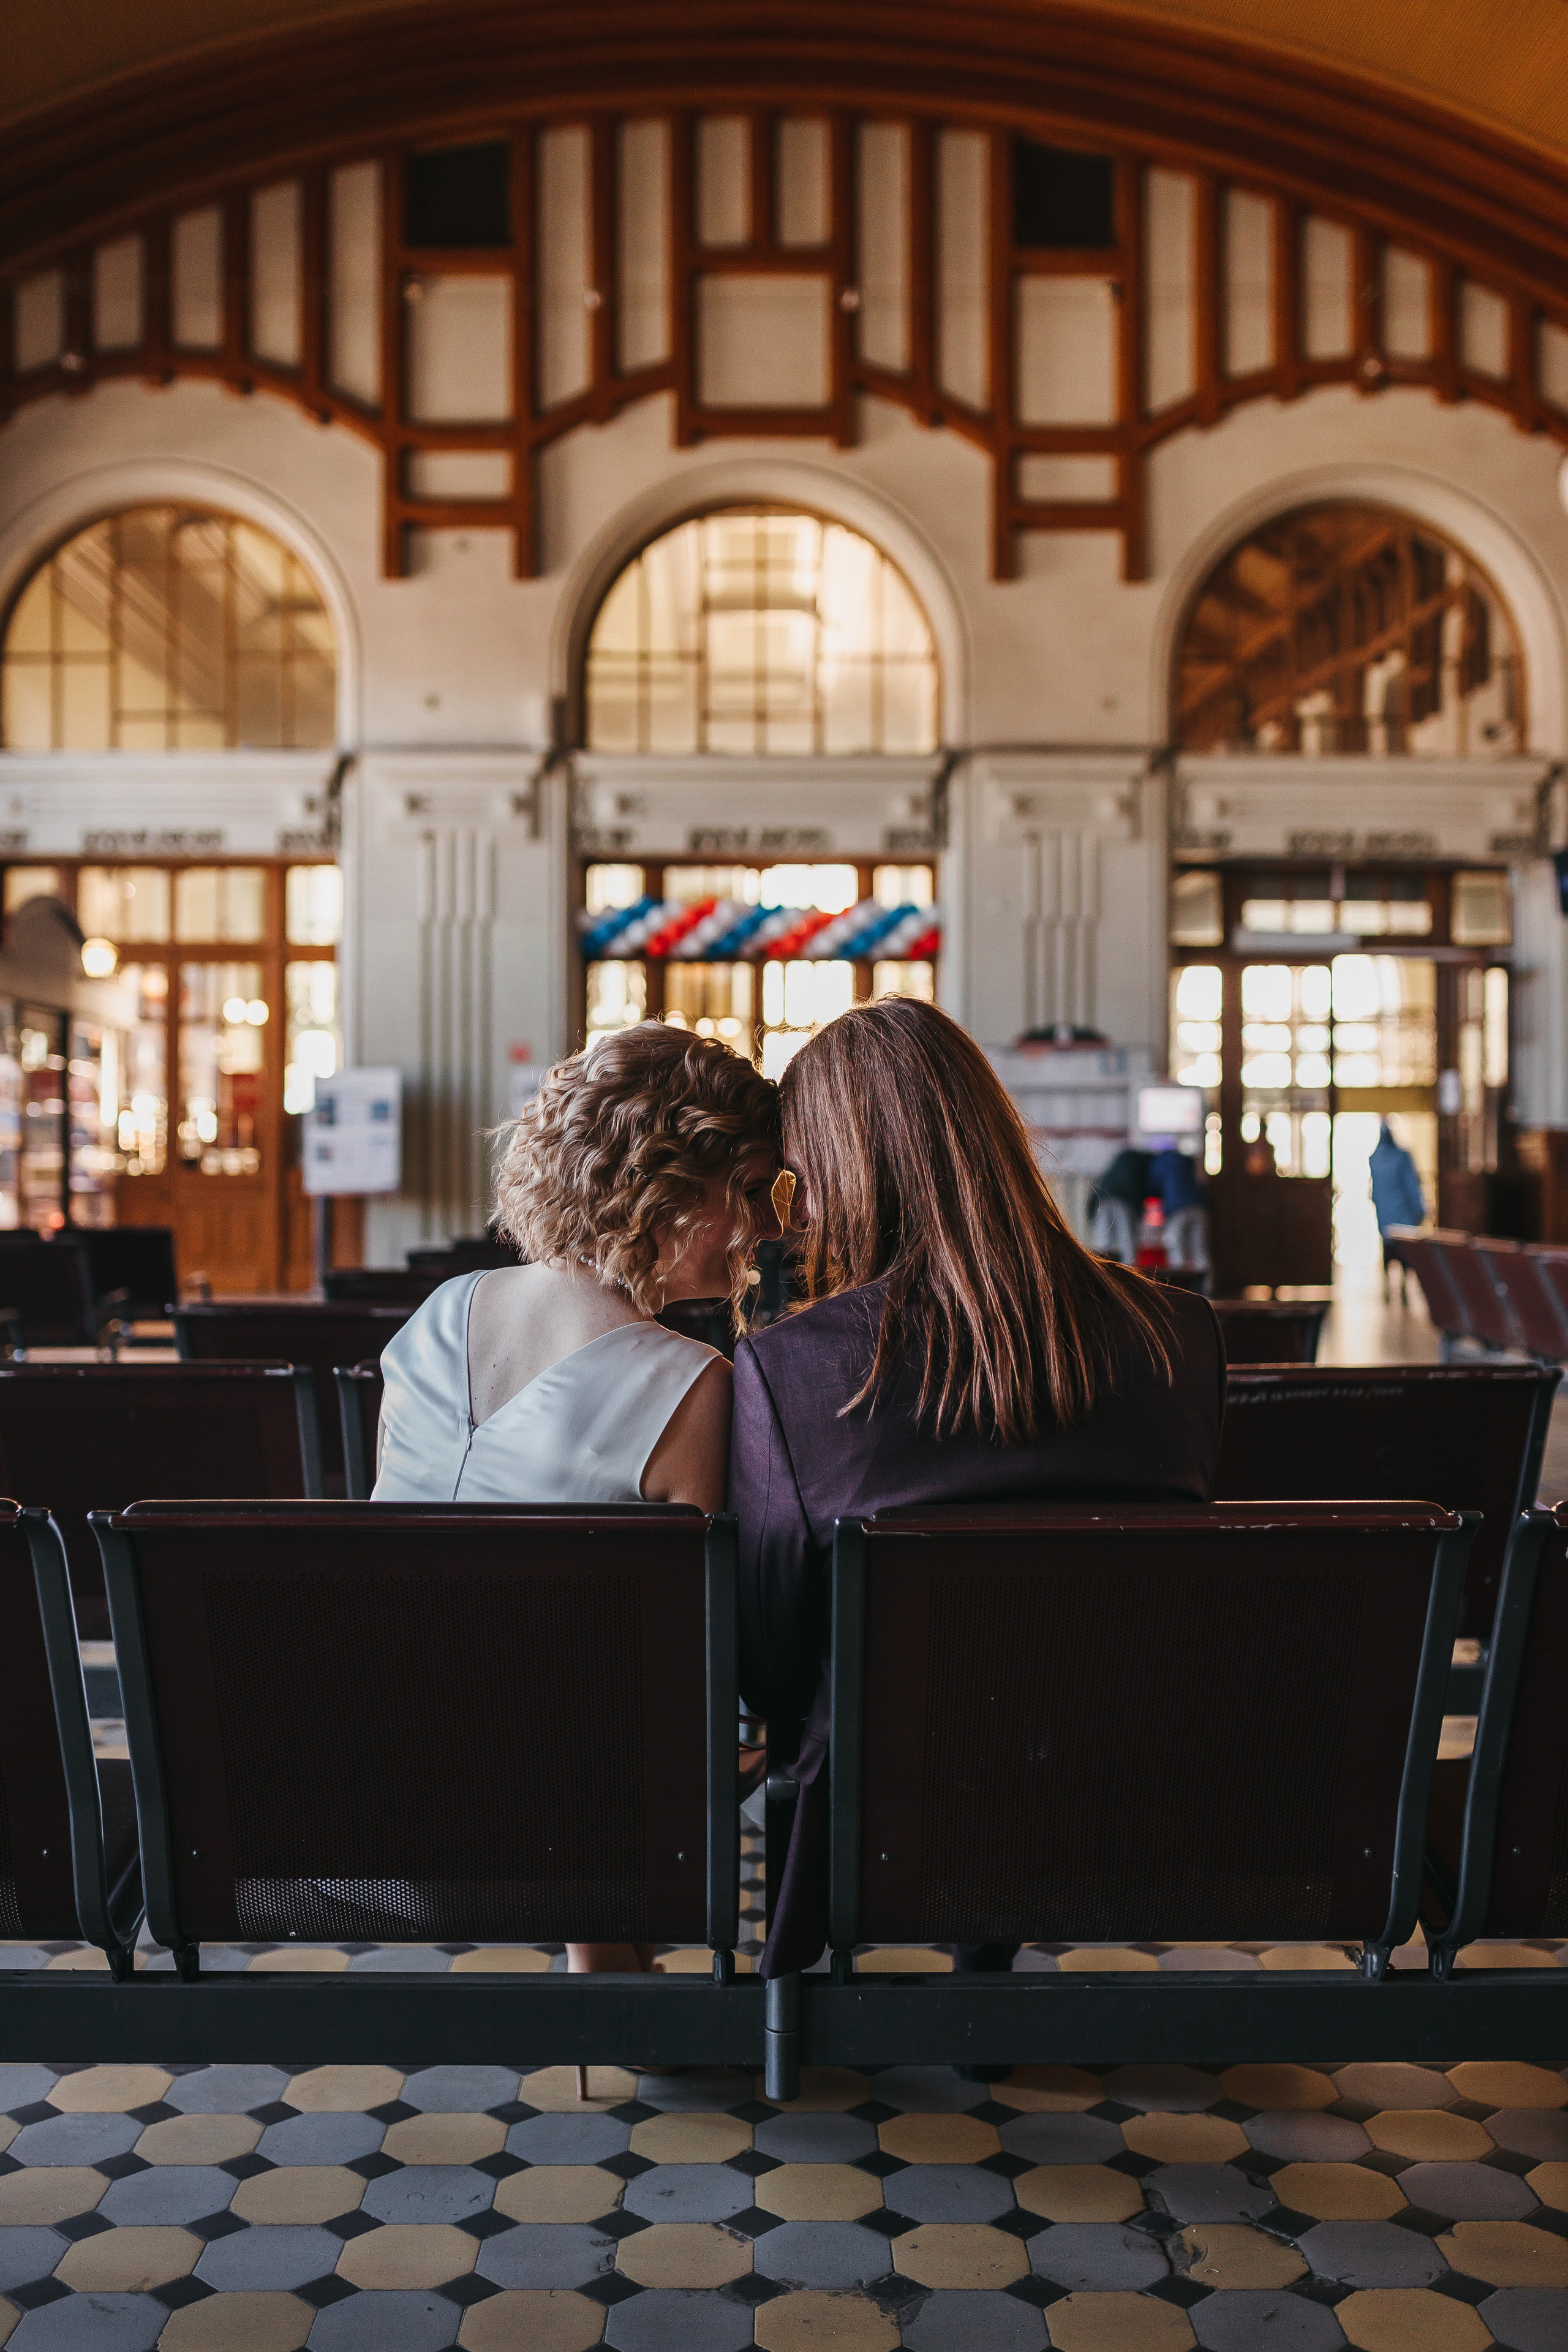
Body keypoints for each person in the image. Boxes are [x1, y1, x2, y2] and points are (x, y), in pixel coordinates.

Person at [729, 999, 1225, 1982]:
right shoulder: (1178, 1335)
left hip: (878, 1789)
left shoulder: (797, 1367)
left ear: (852, 1169)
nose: (802, 1214)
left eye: (803, 1179)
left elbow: (769, 1650)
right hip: (1130, 1777)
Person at [375, 1020, 780, 1979]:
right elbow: (697, 1664)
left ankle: (614, 1972)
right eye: (753, 1191)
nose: (767, 1228)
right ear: (670, 1188)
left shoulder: (440, 1312)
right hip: (558, 1797)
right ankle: (625, 1978)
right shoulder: (688, 1385)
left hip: (378, 1760)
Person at [1369, 1118, 1427, 1298]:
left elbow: (1374, 1190)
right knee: (1404, 1251)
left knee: (1388, 1250)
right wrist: (1420, 1210)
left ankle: (1388, 1287)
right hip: (1404, 1215)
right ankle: (1403, 1287)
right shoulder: (1402, 1157)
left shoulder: (1375, 1159)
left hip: (1385, 1217)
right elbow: (1412, 1186)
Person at [1147, 1139, 1210, 1275]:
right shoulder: (1186, 1161)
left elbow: (1153, 1188)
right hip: (1199, 1207)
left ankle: (1181, 1284)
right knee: (1199, 1248)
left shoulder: (1159, 1163)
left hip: (1177, 1209)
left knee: (1175, 1245)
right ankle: (1206, 1285)